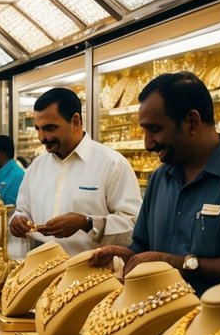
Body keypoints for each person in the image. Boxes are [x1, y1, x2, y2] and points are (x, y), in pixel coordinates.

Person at [90, 72, 220, 299]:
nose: (147, 143)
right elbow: (145, 247)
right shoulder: (160, 179)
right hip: (165, 325)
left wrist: (176, 262)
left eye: (154, 129)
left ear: (192, 122)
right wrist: (128, 256)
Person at [10, 87, 141, 256]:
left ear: (76, 122)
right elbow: (23, 209)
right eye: (38, 129)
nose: (42, 137)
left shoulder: (112, 164)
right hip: (40, 272)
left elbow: (132, 227)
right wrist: (17, 220)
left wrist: (86, 223)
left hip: (92, 275)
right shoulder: (37, 167)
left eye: (50, 128)